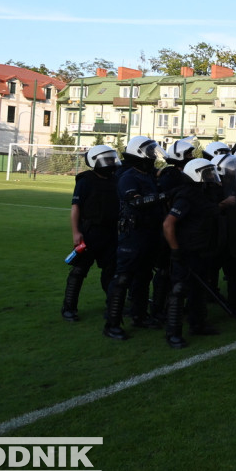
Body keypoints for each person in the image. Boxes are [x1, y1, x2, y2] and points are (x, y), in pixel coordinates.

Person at [162, 158, 236, 348]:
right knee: (179, 291)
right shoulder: (186, 195)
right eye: (207, 173)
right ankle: (173, 333)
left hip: (201, 250)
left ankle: (198, 324)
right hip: (186, 251)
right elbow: (168, 224)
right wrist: (176, 250)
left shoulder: (203, 193)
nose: (211, 176)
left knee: (199, 289)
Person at [104, 136, 166, 340]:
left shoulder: (147, 175)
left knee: (144, 275)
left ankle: (140, 316)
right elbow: (136, 202)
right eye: (150, 153)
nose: (153, 157)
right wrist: (165, 195)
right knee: (123, 278)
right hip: (133, 234)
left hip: (150, 233)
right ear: (139, 154)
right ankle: (112, 323)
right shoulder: (128, 177)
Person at [61, 145, 120, 322]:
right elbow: (75, 208)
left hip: (110, 233)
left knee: (112, 270)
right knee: (79, 270)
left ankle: (112, 306)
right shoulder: (85, 180)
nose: (111, 162)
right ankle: (69, 308)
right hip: (90, 232)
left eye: (112, 158)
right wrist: (76, 233)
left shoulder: (114, 180)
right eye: (107, 159)